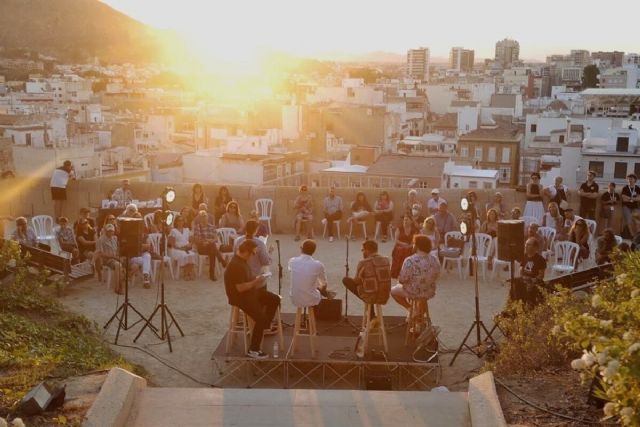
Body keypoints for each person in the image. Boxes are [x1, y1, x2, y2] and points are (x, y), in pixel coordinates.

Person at [224, 239, 280, 359]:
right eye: (253, 253)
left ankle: (264, 326)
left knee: (274, 299)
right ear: (247, 252)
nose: (253, 256)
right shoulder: (236, 265)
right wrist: (256, 281)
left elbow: (247, 278)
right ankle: (253, 350)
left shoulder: (242, 260)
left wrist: (258, 277)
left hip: (250, 292)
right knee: (260, 318)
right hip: (240, 297)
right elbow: (240, 288)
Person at [391, 235, 441, 318]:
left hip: (414, 291)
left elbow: (402, 279)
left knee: (393, 291)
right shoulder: (434, 259)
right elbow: (437, 274)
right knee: (419, 294)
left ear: (417, 246)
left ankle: (411, 309)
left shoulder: (410, 260)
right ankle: (419, 314)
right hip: (429, 291)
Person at [341, 240, 391, 317]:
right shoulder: (386, 260)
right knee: (371, 285)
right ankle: (371, 313)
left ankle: (371, 312)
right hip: (384, 296)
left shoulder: (363, 263)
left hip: (370, 297)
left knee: (346, 280)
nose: (363, 252)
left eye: (363, 250)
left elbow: (356, 281)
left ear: (367, 250)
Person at [288, 239, 334, 308]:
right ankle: (327, 296)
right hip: (311, 299)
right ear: (313, 251)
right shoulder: (318, 265)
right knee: (318, 289)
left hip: (294, 298)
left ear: (301, 249)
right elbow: (324, 284)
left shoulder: (292, 261)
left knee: (308, 286)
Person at [193, 210, 227, 281]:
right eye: (202, 216)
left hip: (210, 247)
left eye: (205, 216)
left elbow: (216, 238)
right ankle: (221, 261)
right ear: (200, 218)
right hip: (202, 247)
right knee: (213, 248)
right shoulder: (197, 227)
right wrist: (207, 241)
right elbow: (197, 240)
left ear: (207, 217)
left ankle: (212, 273)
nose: (204, 218)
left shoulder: (212, 227)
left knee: (212, 251)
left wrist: (208, 241)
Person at [97, 224, 122, 294]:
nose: (110, 232)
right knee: (118, 265)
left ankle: (127, 277)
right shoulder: (101, 240)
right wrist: (114, 257)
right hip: (107, 260)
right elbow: (101, 253)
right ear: (105, 231)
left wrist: (119, 256)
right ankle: (118, 288)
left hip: (116, 258)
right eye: (109, 231)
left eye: (112, 231)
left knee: (131, 262)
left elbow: (118, 249)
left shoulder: (115, 238)